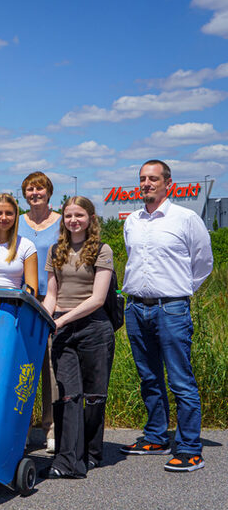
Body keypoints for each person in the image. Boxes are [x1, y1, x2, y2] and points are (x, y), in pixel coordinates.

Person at [120, 159, 213, 472]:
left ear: (167, 183)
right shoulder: (132, 220)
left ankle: (189, 448)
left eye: (153, 179)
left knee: (180, 380)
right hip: (135, 307)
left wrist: (178, 292)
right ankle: (156, 436)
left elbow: (203, 263)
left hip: (170, 308)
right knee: (149, 377)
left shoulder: (185, 219)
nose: (147, 184)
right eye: (143, 179)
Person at [41, 196, 115, 479]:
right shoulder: (55, 250)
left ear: (90, 218)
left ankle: (92, 453)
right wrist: (48, 319)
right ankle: (67, 459)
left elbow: (97, 298)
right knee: (69, 394)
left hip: (94, 327)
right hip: (62, 328)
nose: (73, 220)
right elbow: (51, 295)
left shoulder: (101, 250)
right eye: (69, 216)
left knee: (95, 396)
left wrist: (62, 320)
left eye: (79, 215)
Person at [19, 171, 61, 453]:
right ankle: (18, 427)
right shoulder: (16, 221)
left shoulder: (61, 222)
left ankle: (51, 428)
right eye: (30, 190)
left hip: (53, 299)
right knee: (21, 365)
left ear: (49, 192)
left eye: (40, 189)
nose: (35, 193)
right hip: (23, 300)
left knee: (50, 366)